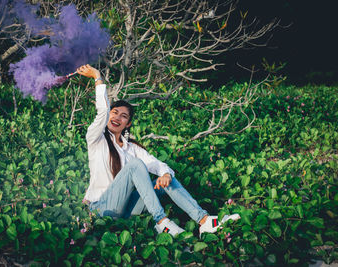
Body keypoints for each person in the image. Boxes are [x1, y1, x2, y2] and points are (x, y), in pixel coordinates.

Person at [77, 64, 240, 237]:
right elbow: (102, 112)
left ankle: (204, 220)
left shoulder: (131, 148)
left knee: (166, 177)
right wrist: (97, 77)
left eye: (123, 116)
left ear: (128, 124)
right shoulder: (96, 139)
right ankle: (161, 221)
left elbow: (155, 163)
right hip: (102, 209)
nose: (117, 117)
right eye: (114, 113)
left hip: (126, 210)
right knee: (135, 166)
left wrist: (165, 174)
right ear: (108, 115)